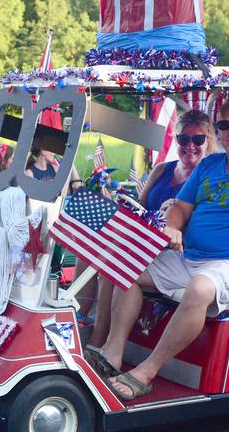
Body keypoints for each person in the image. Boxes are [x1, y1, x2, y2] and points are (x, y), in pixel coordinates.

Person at [96, 98, 229, 400]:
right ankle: (113, 353)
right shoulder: (209, 165)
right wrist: (172, 225)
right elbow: (182, 207)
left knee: (199, 287)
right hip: (194, 258)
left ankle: (146, 371)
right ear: (218, 131)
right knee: (127, 265)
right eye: (224, 125)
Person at [85, 110, 214, 352]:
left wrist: (172, 217)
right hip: (144, 240)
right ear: (176, 140)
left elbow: (197, 225)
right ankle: (84, 323)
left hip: (174, 250)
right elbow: (139, 208)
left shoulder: (208, 177)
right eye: (183, 139)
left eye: (198, 140)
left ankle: (98, 339)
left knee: (111, 266)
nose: (190, 146)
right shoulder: (162, 170)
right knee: (91, 249)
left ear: (209, 141)